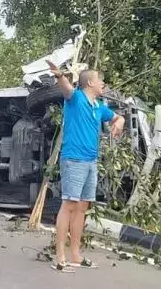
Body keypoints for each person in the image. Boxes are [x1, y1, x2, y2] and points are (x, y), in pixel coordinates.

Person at [45, 60, 124, 273]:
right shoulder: (76, 99)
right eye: (101, 81)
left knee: (82, 207)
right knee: (69, 205)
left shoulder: (99, 107)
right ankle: (60, 256)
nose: (104, 84)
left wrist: (120, 122)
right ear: (90, 82)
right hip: (74, 160)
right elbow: (67, 88)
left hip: (91, 162)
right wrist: (60, 75)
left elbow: (118, 116)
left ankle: (76, 255)